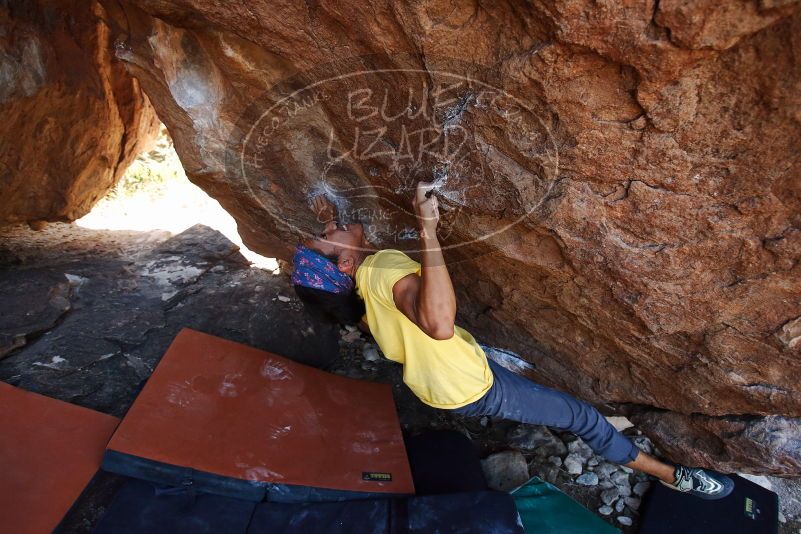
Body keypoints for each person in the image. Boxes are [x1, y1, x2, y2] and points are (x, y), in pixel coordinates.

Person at [296, 182, 734, 500]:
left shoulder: (358, 294)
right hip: (470, 386)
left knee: (529, 388)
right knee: (580, 417)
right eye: (328, 235)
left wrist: (327, 224)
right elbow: (438, 325)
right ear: (348, 261)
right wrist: (427, 229)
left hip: (439, 385)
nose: (333, 223)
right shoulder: (381, 269)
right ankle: (670, 475)